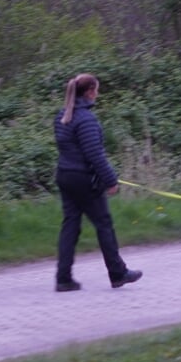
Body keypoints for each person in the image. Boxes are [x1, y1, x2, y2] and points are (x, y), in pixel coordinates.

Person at [52, 73, 142, 292]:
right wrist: (110, 180)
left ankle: (63, 278)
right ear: (90, 92)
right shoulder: (86, 120)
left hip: (65, 176)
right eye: (97, 90)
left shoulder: (62, 115)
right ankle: (118, 273)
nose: (97, 94)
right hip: (84, 180)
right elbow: (94, 154)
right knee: (104, 224)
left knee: (70, 225)